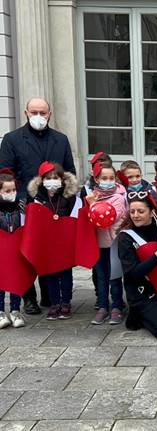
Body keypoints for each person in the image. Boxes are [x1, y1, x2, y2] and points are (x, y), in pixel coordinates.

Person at [0, 97, 76, 315]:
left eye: (43, 112)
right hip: (24, 204)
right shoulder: (12, 139)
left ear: (50, 114)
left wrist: (67, 200)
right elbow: (5, 172)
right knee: (25, 252)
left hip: (54, 205)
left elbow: (69, 171)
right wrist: (17, 198)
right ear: (26, 113)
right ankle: (28, 297)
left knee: (49, 250)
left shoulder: (60, 140)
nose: (38, 117)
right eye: (34, 112)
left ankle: (49, 296)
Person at [117, 191, 157, 340]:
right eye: (132, 211)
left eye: (141, 211)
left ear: (151, 212)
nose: (135, 215)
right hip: (142, 293)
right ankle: (137, 315)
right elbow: (132, 274)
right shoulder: (125, 237)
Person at [27, 162, 79, 320]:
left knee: (65, 275)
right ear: (42, 180)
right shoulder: (37, 198)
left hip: (64, 244)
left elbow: (74, 218)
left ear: (62, 179)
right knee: (50, 276)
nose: (52, 180)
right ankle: (55, 303)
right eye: (48, 178)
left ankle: (66, 303)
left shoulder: (68, 197)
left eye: (55, 177)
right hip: (47, 245)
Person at [86, 164, 127, 325]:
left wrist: (93, 205)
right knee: (101, 277)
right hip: (98, 244)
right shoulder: (92, 196)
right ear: (96, 180)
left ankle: (117, 306)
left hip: (114, 243)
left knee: (115, 277)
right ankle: (103, 306)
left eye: (111, 178)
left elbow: (109, 216)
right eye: (104, 178)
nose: (108, 181)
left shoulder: (118, 197)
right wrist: (91, 203)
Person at [0, 170, 26, 328]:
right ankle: (1, 311)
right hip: (1, 251)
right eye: (7, 191)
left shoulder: (20, 207)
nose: (12, 193)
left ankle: (15, 310)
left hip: (16, 250)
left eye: (14, 190)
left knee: (15, 281)